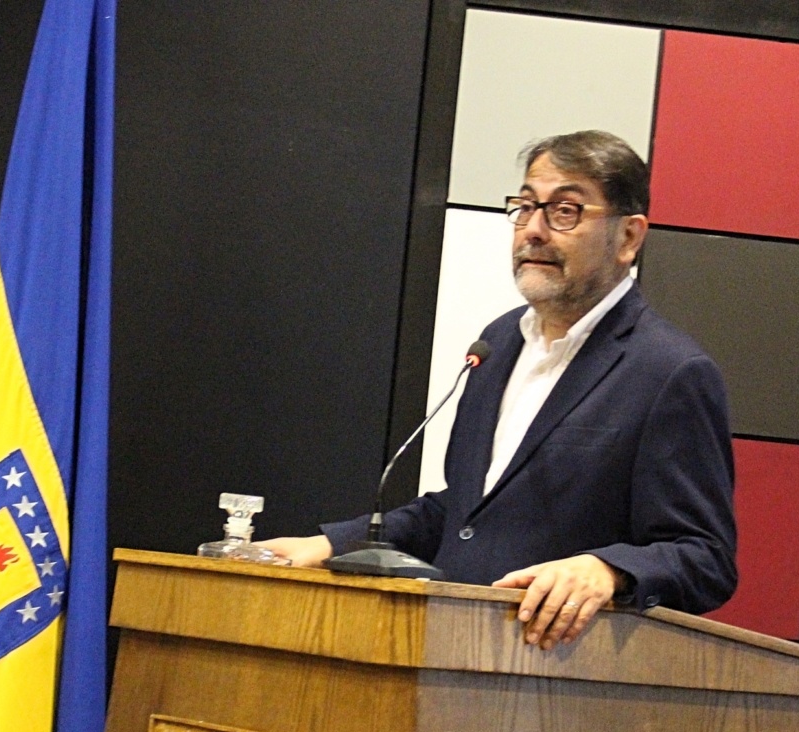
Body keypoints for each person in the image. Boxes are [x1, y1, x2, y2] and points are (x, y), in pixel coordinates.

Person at [262, 130, 736, 650]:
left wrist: (607, 569)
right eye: (526, 207)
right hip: (450, 654)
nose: (533, 230)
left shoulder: (668, 371)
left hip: (557, 669)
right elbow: (463, 514)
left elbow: (704, 557)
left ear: (628, 237)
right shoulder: (499, 342)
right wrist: (332, 544)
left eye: (564, 211)